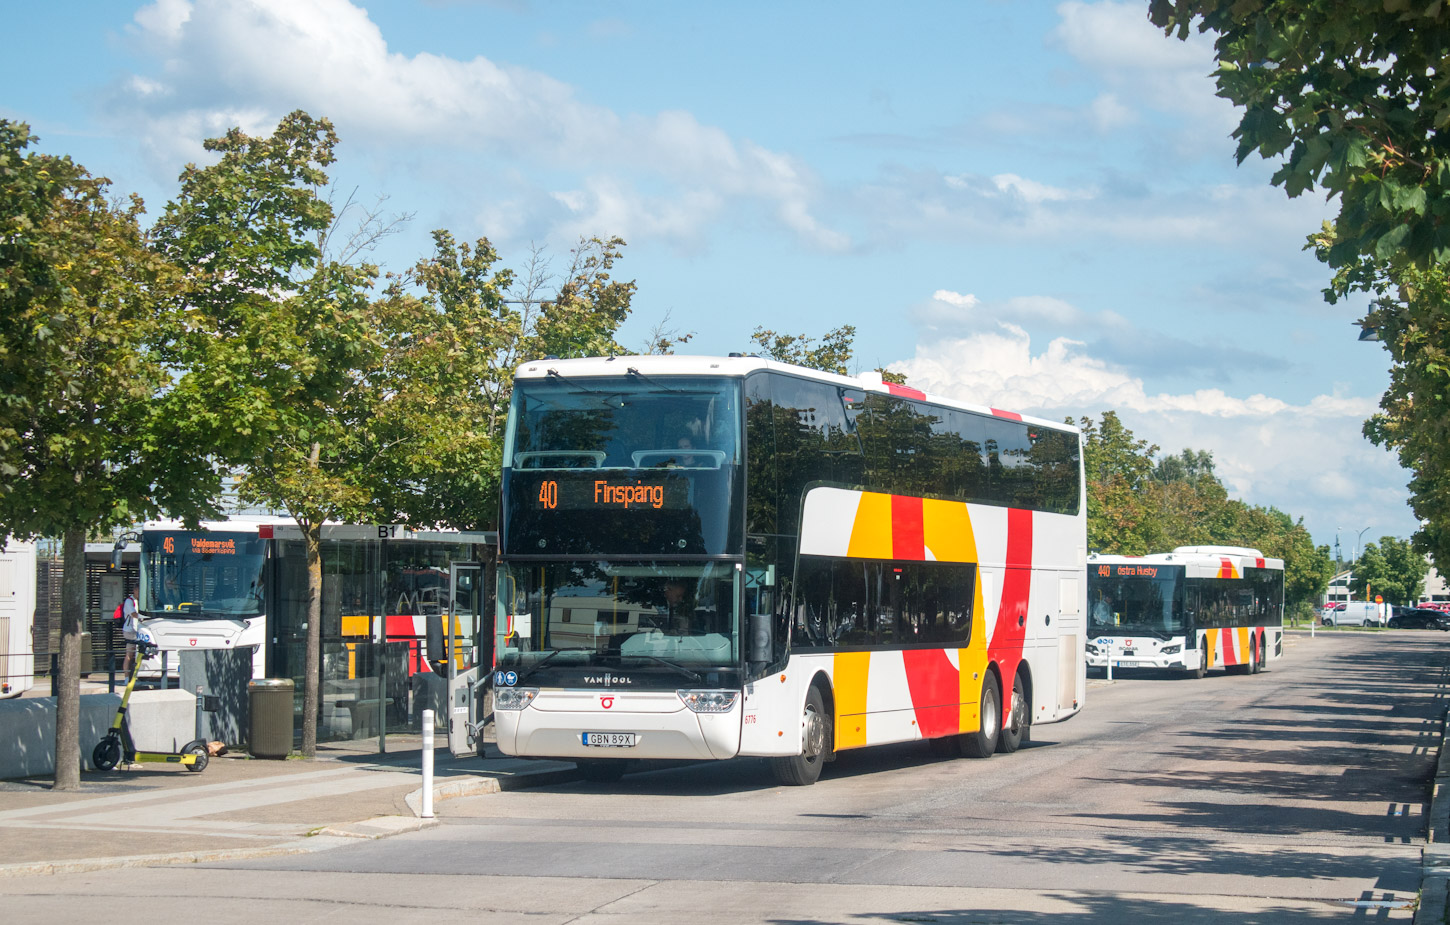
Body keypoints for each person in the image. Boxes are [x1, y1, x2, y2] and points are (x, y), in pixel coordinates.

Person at [121, 590, 140, 674]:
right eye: (138, 591)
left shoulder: (140, 601)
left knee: (133, 653)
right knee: (130, 653)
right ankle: (126, 676)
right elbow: (134, 614)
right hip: (130, 630)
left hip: (137, 630)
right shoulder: (129, 601)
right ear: (135, 590)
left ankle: (134, 675)